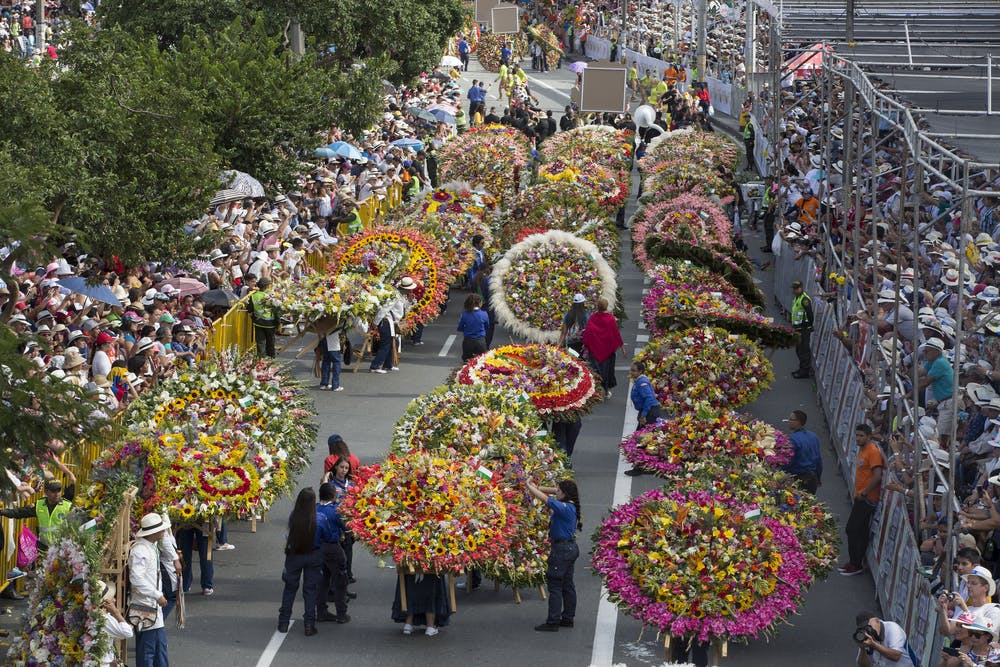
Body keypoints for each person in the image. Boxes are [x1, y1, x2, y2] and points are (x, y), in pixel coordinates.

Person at [525, 478, 581, 632]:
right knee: (567, 585)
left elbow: (545, 499)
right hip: (570, 548)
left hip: (561, 550)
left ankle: (553, 621)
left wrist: (529, 486)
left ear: (564, 493)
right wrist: (537, 485)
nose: (557, 492)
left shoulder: (563, 507)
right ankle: (568, 617)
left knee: (555, 585)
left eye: (559, 491)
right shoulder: (570, 504)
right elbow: (554, 491)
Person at [277, 488, 327, 636]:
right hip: (314, 555)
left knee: (290, 588)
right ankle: (309, 624)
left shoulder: (294, 516)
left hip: (294, 555)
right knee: (310, 590)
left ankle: (283, 622)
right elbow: (328, 535)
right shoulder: (320, 518)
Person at [839, 424, 884, 576]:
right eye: (857, 435)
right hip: (861, 496)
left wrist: (864, 493)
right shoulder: (864, 450)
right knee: (862, 530)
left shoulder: (872, 452)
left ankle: (855, 563)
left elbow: (877, 476)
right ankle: (856, 562)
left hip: (867, 498)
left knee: (851, 529)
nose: (858, 438)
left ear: (869, 436)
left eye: (861, 436)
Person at [129, 513, 170, 667]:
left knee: (159, 648)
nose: (163, 532)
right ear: (152, 533)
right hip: (146, 606)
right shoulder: (140, 551)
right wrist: (156, 594)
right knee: (148, 651)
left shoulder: (150, 547)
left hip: (152, 605)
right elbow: (136, 578)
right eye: (161, 530)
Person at [0, 478, 73, 550]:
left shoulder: (68, 506)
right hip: (43, 547)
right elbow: (20, 512)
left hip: (61, 548)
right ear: (46, 491)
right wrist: (3, 512)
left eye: (59, 490)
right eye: (53, 491)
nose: (57, 494)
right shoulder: (39, 504)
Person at [316, 483, 350, 624]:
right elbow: (346, 526)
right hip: (333, 548)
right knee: (340, 581)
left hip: (318, 548)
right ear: (333, 496)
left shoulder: (315, 508)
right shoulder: (336, 510)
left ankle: (321, 611)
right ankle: (341, 613)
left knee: (323, 581)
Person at [625, 361, 663, 477]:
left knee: (641, 440)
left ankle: (639, 467)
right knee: (648, 439)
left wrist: (644, 415)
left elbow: (649, 399)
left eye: (634, 370)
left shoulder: (642, 383)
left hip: (649, 412)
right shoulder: (640, 381)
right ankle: (650, 465)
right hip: (649, 411)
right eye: (631, 370)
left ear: (640, 371)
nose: (631, 372)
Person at [581, 297, 624, 398]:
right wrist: (622, 347)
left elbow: (588, 333)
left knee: (595, 370)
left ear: (597, 306)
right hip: (608, 350)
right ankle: (607, 390)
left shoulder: (593, 318)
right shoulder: (610, 318)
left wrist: (587, 344)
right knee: (607, 370)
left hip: (595, 349)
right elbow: (615, 333)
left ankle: (595, 391)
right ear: (606, 306)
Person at [918, 337, 955, 449]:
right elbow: (919, 373)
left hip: (949, 401)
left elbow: (924, 382)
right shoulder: (932, 361)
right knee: (940, 433)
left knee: (941, 435)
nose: (924, 353)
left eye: (927, 351)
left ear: (936, 352)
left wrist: (908, 394)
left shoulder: (940, 362)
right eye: (924, 351)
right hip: (943, 401)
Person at [782, 410, 823, 493]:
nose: (788, 421)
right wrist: (818, 477)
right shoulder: (814, 436)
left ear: (799, 422)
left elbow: (790, 461)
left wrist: (781, 474)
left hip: (798, 478)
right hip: (812, 478)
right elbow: (819, 460)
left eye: (791, 419)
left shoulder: (792, 439)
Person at [95, 580, 133, 667]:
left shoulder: (91, 615)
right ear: (106, 603)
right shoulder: (103, 619)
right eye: (112, 598)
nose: (114, 600)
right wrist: (116, 612)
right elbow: (127, 632)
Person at [175, 520, 214, 596]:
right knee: (203, 553)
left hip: (197, 520)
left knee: (202, 553)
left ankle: (186, 584)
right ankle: (205, 585)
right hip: (200, 519)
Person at [249, 276, 278, 358]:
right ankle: (271, 358)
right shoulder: (271, 295)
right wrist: (278, 322)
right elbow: (276, 309)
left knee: (260, 342)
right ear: (266, 286)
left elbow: (250, 310)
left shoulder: (253, 296)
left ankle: (261, 360)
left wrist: (254, 318)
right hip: (270, 323)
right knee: (270, 342)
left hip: (258, 323)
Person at [456, 293, 490, 361]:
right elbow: (487, 326)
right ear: (480, 303)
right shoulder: (484, 314)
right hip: (480, 341)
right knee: (482, 361)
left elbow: (460, 328)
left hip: (468, 341)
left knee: (466, 360)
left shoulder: (464, 314)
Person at [790, 280, 814, 378]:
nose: (794, 290)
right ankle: (801, 369)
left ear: (801, 288)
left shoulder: (804, 300)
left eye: (796, 288)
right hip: (798, 328)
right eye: (794, 288)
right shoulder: (797, 298)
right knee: (799, 349)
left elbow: (810, 314)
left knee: (803, 350)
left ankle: (804, 371)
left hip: (803, 329)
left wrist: (809, 326)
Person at [317, 325, 344, 391]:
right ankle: (335, 386)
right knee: (336, 363)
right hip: (333, 342)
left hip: (324, 340)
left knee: (326, 362)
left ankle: (324, 384)